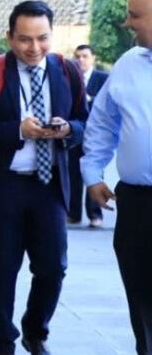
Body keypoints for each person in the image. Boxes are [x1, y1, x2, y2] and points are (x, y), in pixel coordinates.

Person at [0, 0, 87, 355]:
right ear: (9, 37)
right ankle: (2, 349)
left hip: (47, 187)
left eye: (42, 38)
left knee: (53, 267)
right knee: (1, 272)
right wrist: (19, 130)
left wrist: (67, 129)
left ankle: (37, 333)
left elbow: (85, 120)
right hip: (2, 188)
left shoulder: (66, 71)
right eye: (25, 40)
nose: (34, 48)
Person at [81, 0, 152, 355]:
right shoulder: (128, 64)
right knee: (141, 286)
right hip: (139, 201)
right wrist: (92, 173)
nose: (127, 22)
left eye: (135, 14)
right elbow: (103, 123)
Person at [68, 44, 109, 227]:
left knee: (94, 174)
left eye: (85, 56)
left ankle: (95, 214)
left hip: (96, 134)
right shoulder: (70, 77)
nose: (81, 60)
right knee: (74, 174)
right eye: (77, 56)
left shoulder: (103, 78)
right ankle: (73, 214)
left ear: (93, 58)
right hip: (76, 133)